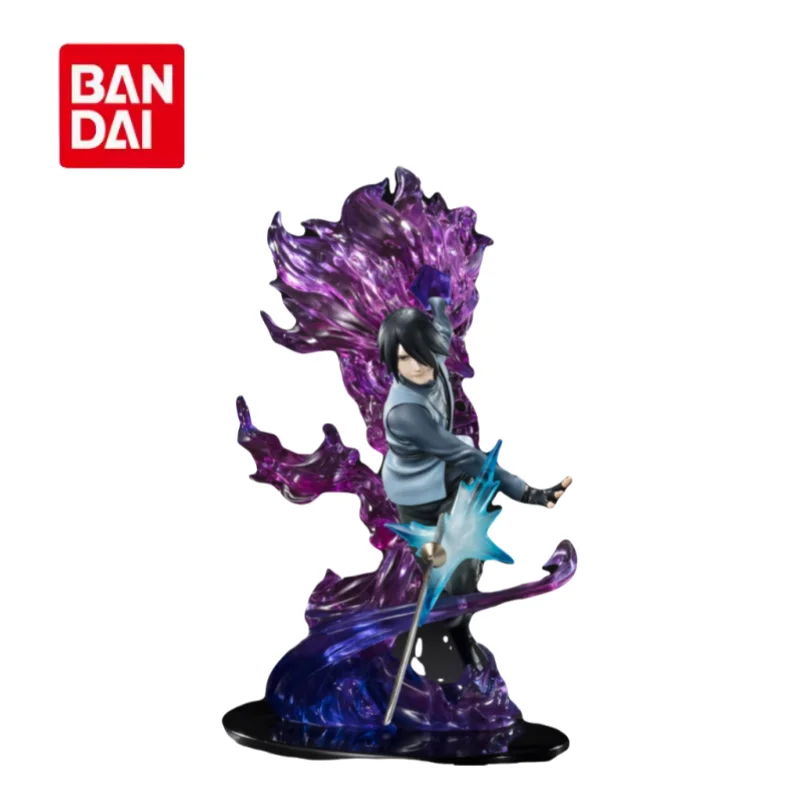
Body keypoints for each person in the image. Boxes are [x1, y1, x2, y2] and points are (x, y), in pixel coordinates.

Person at [379, 298, 571, 679]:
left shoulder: (433, 357)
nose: (415, 366)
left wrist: (438, 304)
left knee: (467, 567)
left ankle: (458, 627)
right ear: (393, 362)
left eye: (420, 353)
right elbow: (464, 456)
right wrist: (528, 493)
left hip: (448, 478)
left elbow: (442, 333)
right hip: (418, 500)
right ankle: (434, 641)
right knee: (444, 576)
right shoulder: (405, 413)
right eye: (403, 359)